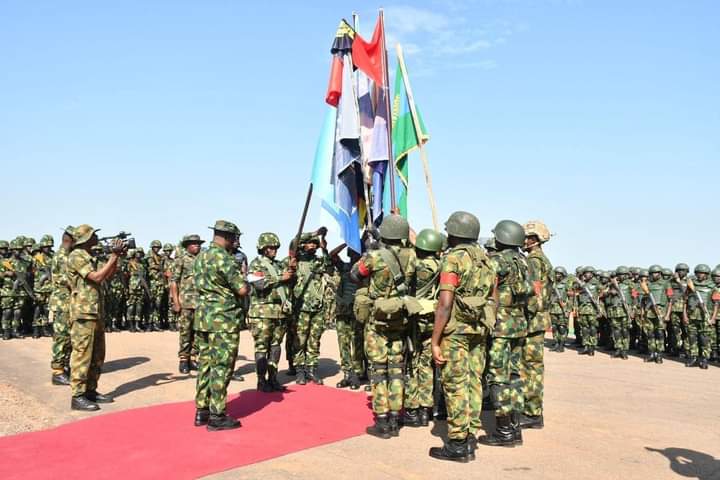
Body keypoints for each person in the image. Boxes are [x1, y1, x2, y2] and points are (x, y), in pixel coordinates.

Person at [427, 212, 494, 462]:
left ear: (455, 233)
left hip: (455, 333)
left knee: (455, 385)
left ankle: (457, 443)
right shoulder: (486, 260)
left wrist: (435, 340)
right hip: (478, 330)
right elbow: (493, 299)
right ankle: (470, 436)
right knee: (474, 382)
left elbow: (445, 304)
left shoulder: (453, 259)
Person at [351, 214, 417, 439]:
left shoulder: (374, 257)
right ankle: (396, 418)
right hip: (399, 318)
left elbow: (355, 275)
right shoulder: (411, 256)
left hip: (377, 319)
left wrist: (372, 248)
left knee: (379, 370)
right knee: (397, 369)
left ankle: (382, 420)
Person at [193, 220, 248, 431]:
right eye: (234, 238)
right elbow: (241, 289)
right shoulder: (224, 258)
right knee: (222, 366)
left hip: (204, 318)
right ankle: (217, 415)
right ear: (228, 237)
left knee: (205, 364)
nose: (235, 242)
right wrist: (249, 283)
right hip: (223, 319)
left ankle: (202, 411)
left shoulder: (201, 256)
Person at [479, 220, 530, 447]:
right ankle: (515, 427)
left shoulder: (497, 261)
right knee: (515, 376)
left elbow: (483, 286)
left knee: (498, 377)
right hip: (518, 325)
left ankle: (504, 430)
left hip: (500, 326)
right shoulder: (523, 261)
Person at [67, 224, 124, 411]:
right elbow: (97, 277)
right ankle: (78, 395)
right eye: (93, 235)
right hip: (83, 313)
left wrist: (116, 258)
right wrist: (113, 256)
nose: (96, 238)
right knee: (82, 354)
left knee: (97, 355)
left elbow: (107, 275)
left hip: (95, 311)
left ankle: (90, 390)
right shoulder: (76, 256)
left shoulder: (90, 256)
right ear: (85, 239)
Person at [404, 228, 443, 428]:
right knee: (427, 365)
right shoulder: (441, 264)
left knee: (412, 363)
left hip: (416, 318)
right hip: (433, 317)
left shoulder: (417, 265)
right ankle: (426, 410)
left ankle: (412, 409)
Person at [247, 232, 295, 392]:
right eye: (270, 247)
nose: (274, 250)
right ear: (262, 248)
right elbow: (259, 284)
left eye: (275, 247)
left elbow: (289, 282)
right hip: (262, 313)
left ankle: (273, 378)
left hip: (279, 313)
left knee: (275, 346)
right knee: (262, 347)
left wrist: (292, 272)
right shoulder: (256, 264)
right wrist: (281, 277)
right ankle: (261, 380)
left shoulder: (279, 265)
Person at [519, 220, 553, 430]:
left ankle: (532, 412)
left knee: (530, 367)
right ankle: (532, 410)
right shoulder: (541, 259)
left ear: (533, 239)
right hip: (538, 319)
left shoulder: (533, 261)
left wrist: (523, 314)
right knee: (533, 366)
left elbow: (534, 293)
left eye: (525, 237)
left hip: (532, 321)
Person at [292, 231, 331, 385]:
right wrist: (314, 233)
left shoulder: (319, 261)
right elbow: (294, 241)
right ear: (303, 245)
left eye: (315, 243)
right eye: (310, 243)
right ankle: (300, 370)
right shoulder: (296, 260)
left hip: (317, 307)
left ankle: (312, 369)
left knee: (314, 339)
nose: (313, 246)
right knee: (300, 340)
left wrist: (324, 248)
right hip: (301, 308)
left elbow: (329, 266)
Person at [170, 234, 204, 374]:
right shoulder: (181, 260)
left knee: (198, 332)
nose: (197, 245)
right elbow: (174, 282)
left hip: (200, 302)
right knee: (185, 332)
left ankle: (193, 358)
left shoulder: (203, 259)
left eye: (198, 243)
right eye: (194, 243)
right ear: (187, 246)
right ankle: (184, 360)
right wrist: (176, 302)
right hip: (186, 302)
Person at [333, 248, 363, 390]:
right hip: (342, 310)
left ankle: (357, 373)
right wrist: (346, 241)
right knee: (343, 343)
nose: (353, 255)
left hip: (357, 311)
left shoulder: (364, 268)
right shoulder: (344, 267)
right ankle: (347, 373)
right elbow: (333, 255)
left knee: (357, 343)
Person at [49, 227, 74, 385]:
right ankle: (57, 371)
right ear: (68, 240)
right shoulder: (62, 256)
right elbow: (68, 279)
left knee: (69, 336)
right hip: (62, 302)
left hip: (68, 301)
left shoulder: (68, 255)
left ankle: (65, 366)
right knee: (62, 336)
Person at [684, 264, 713, 369]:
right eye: (698, 273)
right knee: (692, 337)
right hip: (692, 316)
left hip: (705, 316)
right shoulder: (691, 285)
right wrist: (684, 315)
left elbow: (716, 304)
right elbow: (685, 301)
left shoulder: (711, 286)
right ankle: (694, 358)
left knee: (704, 339)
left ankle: (704, 359)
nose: (700, 275)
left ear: (707, 274)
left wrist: (712, 318)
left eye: (702, 273)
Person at [642, 265, 672, 363]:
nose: (654, 275)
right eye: (652, 273)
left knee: (659, 333)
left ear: (660, 273)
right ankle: (651, 353)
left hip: (661, 311)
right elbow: (644, 299)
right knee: (650, 333)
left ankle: (659, 354)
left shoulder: (666, 284)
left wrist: (667, 314)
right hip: (649, 311)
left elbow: (670, 300)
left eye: (656, 273)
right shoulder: (648, 284)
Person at [32, 235, 54, 338]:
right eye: (45, 246)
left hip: (49, 286)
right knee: (38, 308)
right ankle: (36, 328)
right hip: (39, 287)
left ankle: (45, 328)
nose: (47, 248)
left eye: (49, 246)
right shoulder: (37, 257)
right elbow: (33, 271)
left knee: (46, 308)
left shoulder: (53, 256)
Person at [668, 263, 689, 357]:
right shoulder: (671, 281)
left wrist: (678, 281)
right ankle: (676, 348)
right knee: (675, 330)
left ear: (687, 272)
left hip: (685, 310)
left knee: (686, 330)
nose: (680, 272)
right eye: (679, 270)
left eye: (683, 270)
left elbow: (685, 291)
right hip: (674, 308)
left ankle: (687, 350)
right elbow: (668, 293)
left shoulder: (689, 281)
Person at [549, 267, 569, 352]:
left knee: (562, 327)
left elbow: (571, 298)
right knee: (554, 327)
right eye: (556, 273)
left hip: (562, 309)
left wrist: (568, 309)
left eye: (559, 274)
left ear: (563, 275)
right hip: (553, 309)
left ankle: (561, 344)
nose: (557, 275)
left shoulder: (566, 284)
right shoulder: (553, 285)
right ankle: (556, 343)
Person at [146, 240, 165, 331]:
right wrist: (159, 267)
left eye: (158, 247)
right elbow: (152, 266)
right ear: (152, 247)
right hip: (151, 283)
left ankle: (156, 323)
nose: (157, 249)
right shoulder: (149, 256)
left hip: (159, 283)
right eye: (155, 247)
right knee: (151, 304)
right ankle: (149, 323)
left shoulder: (160, 257)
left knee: (158, 304)